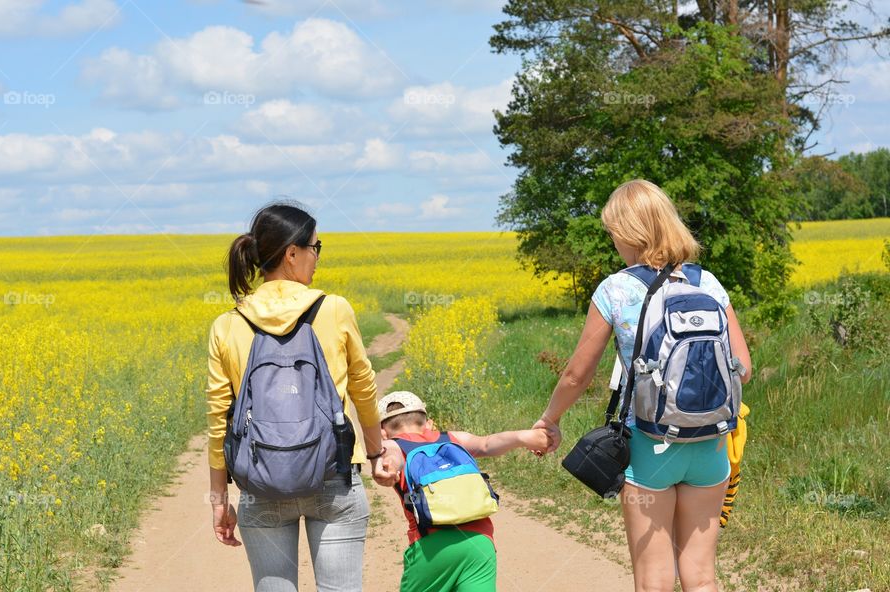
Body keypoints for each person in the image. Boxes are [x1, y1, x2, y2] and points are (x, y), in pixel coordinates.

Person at [532, 179, 753, 592]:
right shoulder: (708, 284)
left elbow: (577, 375)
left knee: (654, 580)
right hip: (710, 445)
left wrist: (550, 419)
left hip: (650, 444)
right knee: (702, 577)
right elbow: (744, 370)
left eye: (613, 230)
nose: (612, 239)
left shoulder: (615, 289)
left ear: (628, 232)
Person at [205, 202, 393, 591]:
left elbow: (218, 418)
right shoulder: (335, 309)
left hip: (261, 482)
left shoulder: (227, 324)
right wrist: (376, 452)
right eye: (315, 246)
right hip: (333, 476)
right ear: (292, 253)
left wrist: (219, 497)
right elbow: (363, 389)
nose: (317, 257)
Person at [377, 390, 550, 592]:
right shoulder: (451, 438)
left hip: (431, 548)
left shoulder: (391, 446)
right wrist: (525, 437)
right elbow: (486, 444)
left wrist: (384, 466)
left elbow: (387, 459)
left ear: (383, 432)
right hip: (480, 543)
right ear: (429, 423)